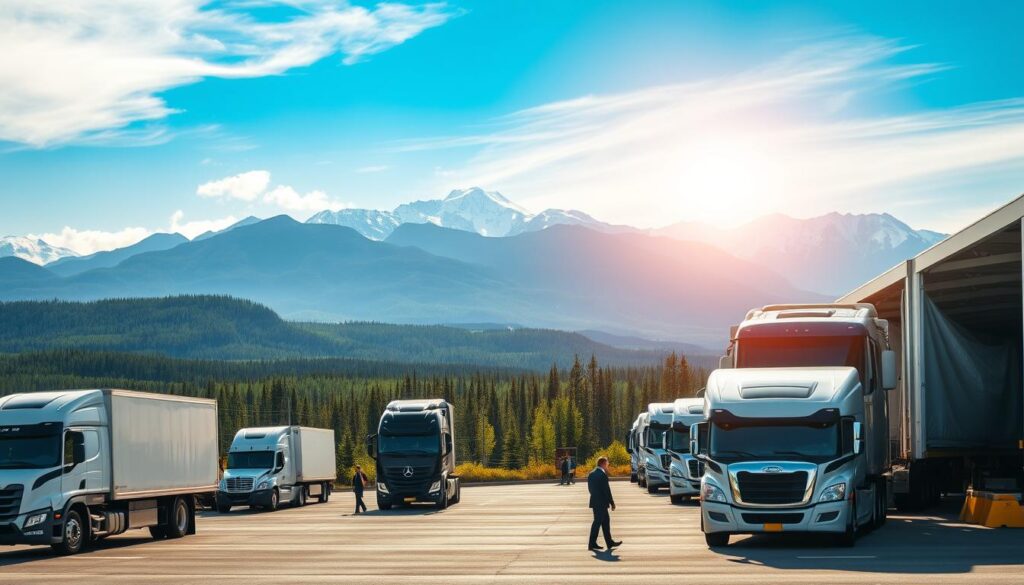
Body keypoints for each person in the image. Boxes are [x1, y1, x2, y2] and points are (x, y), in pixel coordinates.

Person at [587, 456, 621, 551]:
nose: (608, 465)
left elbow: (590, 489)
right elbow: (607, 490)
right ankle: (591, 544)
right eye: (607, 463)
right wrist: (612, 503)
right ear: (602, 463)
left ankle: (609, 542)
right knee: (597, 523)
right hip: (601, 503)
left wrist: (596, 498)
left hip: (595, 501)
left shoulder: (591, 474)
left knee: (605, 522)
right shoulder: (602, 475)